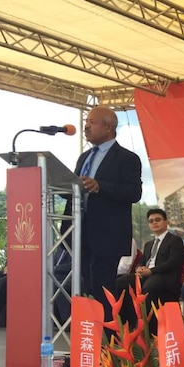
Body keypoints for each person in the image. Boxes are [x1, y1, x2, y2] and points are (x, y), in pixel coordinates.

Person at [68, 106, 142, 319]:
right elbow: (73, 189)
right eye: (87, 121)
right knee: (86, 284)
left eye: (92, 122)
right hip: (80, 231)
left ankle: (112, 339)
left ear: (108, 127)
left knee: (102, 285)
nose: (86, 126)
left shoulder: (127, 158)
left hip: (108, 234)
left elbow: (134, 192)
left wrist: (100, 186)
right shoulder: (84, 158)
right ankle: (91, 335)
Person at [114, 209, 184, 323]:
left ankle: (149, 329)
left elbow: (173, 262)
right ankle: (129, 324)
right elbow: (141, 261)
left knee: (149, 287)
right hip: (147, 275)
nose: (154, 223)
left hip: (164, 277)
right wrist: (139, 268)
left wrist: (151, 271)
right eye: (151, 221)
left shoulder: (175, 240)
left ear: (166, 222)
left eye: (158, 220)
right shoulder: (148, 244)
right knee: (120, 283)